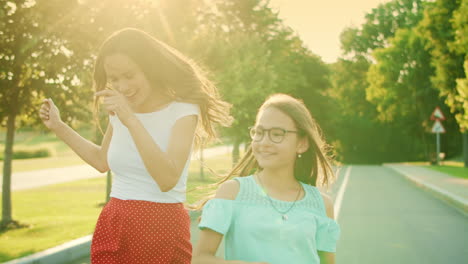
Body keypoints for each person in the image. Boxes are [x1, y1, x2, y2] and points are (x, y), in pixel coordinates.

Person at [39, 28, 231, 263]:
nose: (122, 86)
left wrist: (130, 118)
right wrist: (59, 126)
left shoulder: (182, 111)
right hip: (114, 221)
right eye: (115, 79)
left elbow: (167, 178)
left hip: (162, 226)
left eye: (129, 75)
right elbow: (101, 161)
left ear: (150, 69)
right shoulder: (120, 111)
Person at [193, 93, 340, 264]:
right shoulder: (232, 192)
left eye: (277, 134)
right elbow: (200, 259)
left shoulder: (323, 205)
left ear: (302, 143)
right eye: (259, 132)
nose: (264, 142)